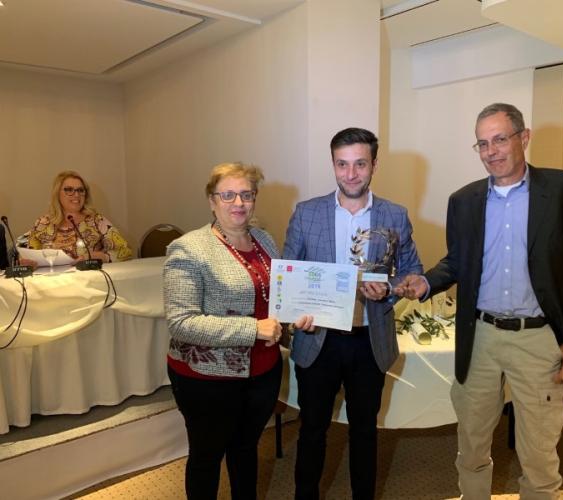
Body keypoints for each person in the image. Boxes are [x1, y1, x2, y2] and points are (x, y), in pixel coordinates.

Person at [396, 103, 563, 499]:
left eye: (499, 139)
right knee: (471, 442)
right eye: (482, 143)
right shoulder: (463, 200)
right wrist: (424, 282)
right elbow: (458, 260)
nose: (491, 151)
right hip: (481, 337)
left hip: (538, 338)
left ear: (523, 138)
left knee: (539, 452)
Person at [283, 127, 423, 500]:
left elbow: (413, 272)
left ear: (374, 165)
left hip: (368, 342)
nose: (351, 174)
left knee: (364, 431)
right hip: (318, 340)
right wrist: (295, 312)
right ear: (333, 165)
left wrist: (389, 289)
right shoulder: (307, 213)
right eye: (342, 164)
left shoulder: (395, 215)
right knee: (312, 429)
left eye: (360, 164)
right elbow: (288, 272)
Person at [164, 162, 313, 500]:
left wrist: (294, 319)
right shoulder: (188, 248)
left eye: (247, 194)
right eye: (228, 195)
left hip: (263, 371)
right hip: (206, 377)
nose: (239, 203)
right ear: (211, 200)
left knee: (246, 449)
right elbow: (181, 322)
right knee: (207, 457)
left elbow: (275, 300)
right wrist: (253, 329)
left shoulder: (264, 240)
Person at [28, 171, 132, 263]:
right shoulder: (42, 223)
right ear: (57, 193)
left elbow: (125, 251)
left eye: (80, 190)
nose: (76, 195)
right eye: (69, 190)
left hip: (90, 276)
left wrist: (96, 256)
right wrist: (28, 262)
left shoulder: (97, 221)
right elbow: (28, 255)